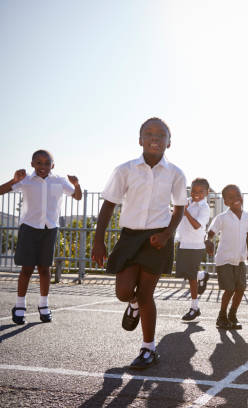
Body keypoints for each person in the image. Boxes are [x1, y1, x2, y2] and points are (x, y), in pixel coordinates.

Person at [91, 117, 187, 369]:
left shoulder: (176, 173)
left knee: (146, 293)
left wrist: (167, 235)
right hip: (130, 236)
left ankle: (148, 349)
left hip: (158, 238)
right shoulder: (125, 169)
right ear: (140, 139)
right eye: (149, 133)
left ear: (169, 142)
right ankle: (132, 304)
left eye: (161, 134)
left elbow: (178, 209)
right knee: (123, 291)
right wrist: (98, 240)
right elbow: (109, 204)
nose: (155, 138)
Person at [0, 150, 82, 324]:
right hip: (29, 228)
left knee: (45, 269)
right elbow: (1, 191)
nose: (42, 166)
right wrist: (14, 180)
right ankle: (20, 305)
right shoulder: (26, 180)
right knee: (27, 269)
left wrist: (76, 184)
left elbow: (77, 196)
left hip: (49, 229)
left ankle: (44, 305)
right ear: (32, 164)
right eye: (38, 163)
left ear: (53, 165)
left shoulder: (59, 181)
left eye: (46, 163)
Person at [205, 184, 248, 330]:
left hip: (239, 259)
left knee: (241, 288)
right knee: (230, 288)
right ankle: (222, 316)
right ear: (225, 202)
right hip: (224, 258)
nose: (236, 199)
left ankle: (232, 315)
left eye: (238, 195)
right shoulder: (222, 218)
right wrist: (208, 242)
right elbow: (211, 233)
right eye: (231, 197)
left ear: (242, 196)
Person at [175, 178, 211, 321]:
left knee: (190, 277)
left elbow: (197, 226)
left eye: (200, 192)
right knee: (184, 274)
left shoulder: (205, 208)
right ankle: (201, 275)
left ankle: (194, 308)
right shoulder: (187, 202)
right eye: (194, 191)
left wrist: (186, 212)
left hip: (196, 246)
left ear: (207, 193)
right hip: (183, 243)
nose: (196, 194)